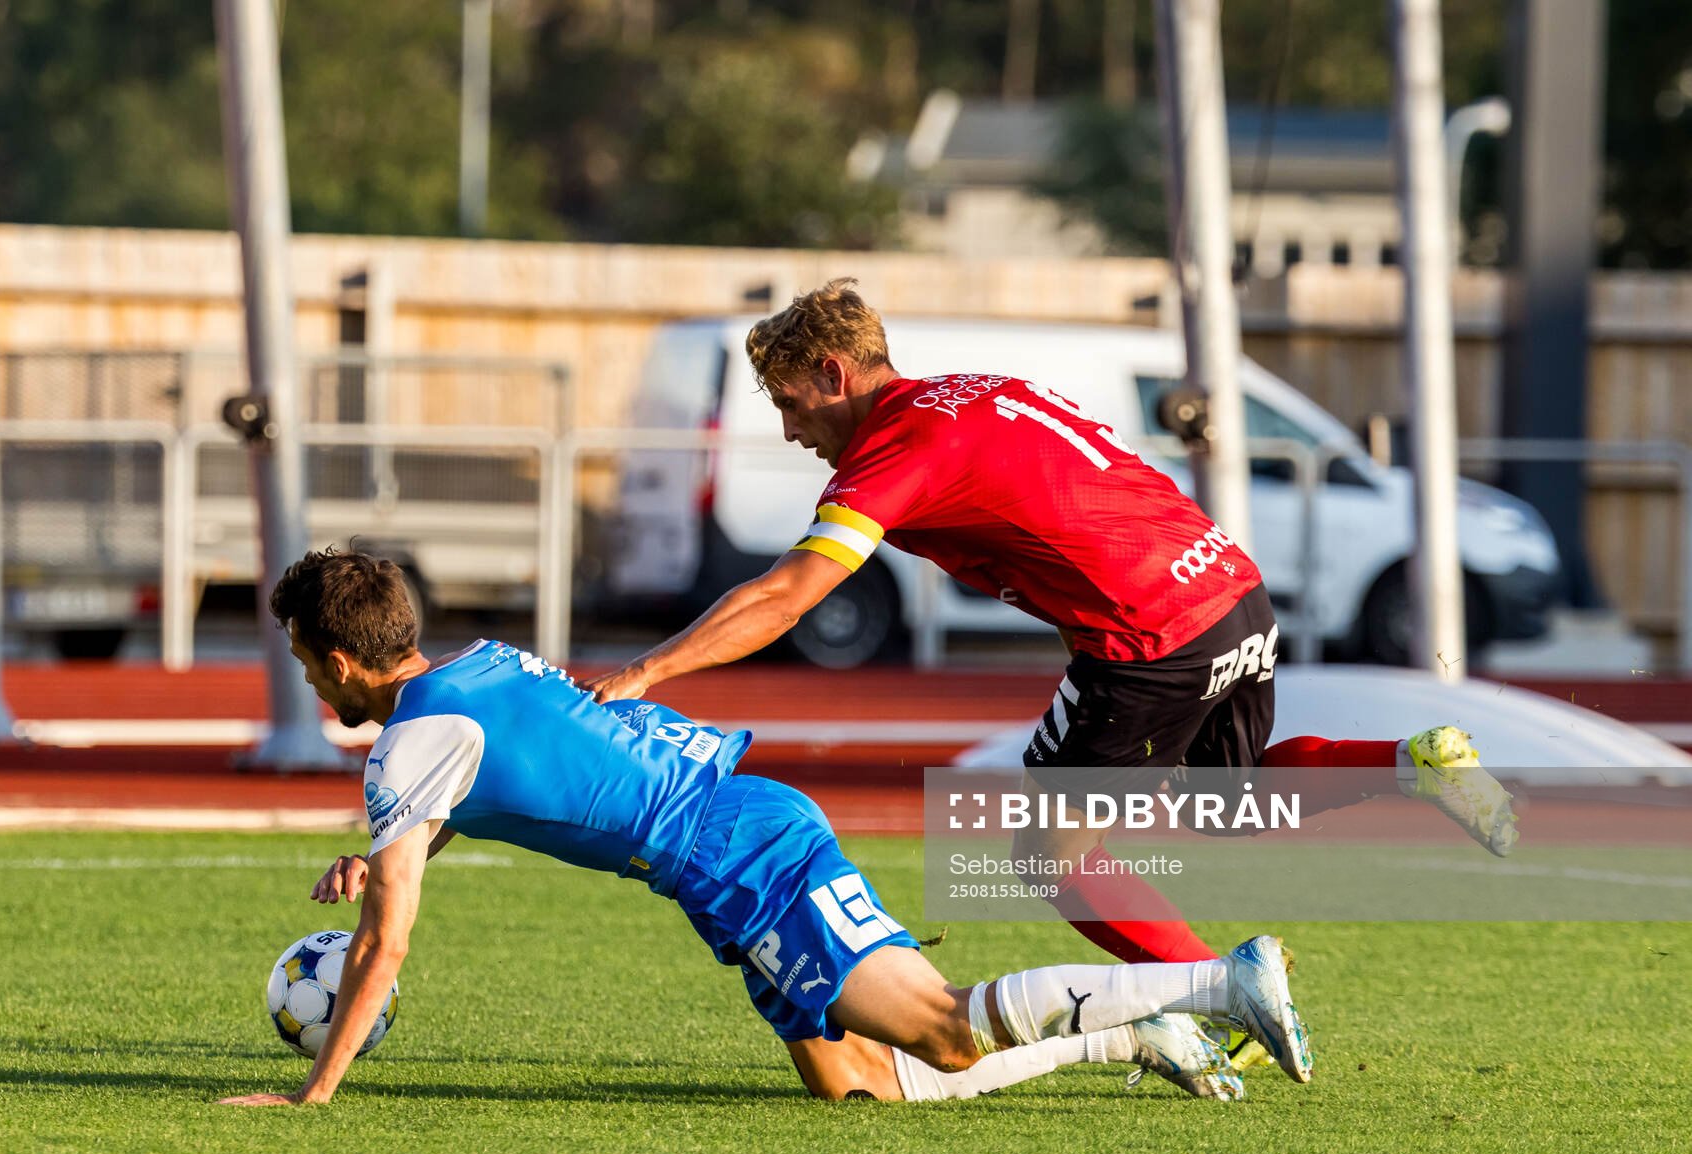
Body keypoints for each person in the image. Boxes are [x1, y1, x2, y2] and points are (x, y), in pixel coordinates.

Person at [585, 278, 1518, 981]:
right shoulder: (977, 389)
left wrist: (645, 672)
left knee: (1047, 856)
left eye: (790, 403)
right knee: (1218, 804)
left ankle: (1218, 995)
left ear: (833, 375)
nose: (792, 431)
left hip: (1148, 636)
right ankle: (1415, 764)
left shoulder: (895, 452)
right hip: (1230, 588)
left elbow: (787, 594)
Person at [217, 550, 1314, 1108]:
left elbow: (386, 941)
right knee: (858, 1085)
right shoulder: (478, 666)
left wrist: (317, 1095)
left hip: (734, 850)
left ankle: (1219, 982)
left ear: (342, 659)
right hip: (729, 835)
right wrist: (388, 848)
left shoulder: (407, 744)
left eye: (308, 664)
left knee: (939, 1030)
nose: (311, 683)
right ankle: (1132, 1034)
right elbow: (485, 776)